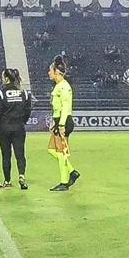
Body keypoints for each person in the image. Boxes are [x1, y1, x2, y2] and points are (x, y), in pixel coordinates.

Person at [0, 67, 32, 188]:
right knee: (20, 154)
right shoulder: (24, 93)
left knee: (6, 154)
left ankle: (7, 181)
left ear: (7, 79)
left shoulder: (1, 93)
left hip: (4, 127)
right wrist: (23, 121)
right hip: (19, 126)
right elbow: (28, 110)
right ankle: (22, 176)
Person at [47, 56, 80, 191]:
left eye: (50, 70)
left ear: (56, 72)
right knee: (51, 149)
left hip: (64, 122)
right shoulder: (59, 86)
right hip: (59, 121)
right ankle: (72, 172)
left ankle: (64, 182)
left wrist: (61, 125)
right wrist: (55, 122)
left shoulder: (64, 87)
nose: (49, 73)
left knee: (61, 152)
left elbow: (65, 107)